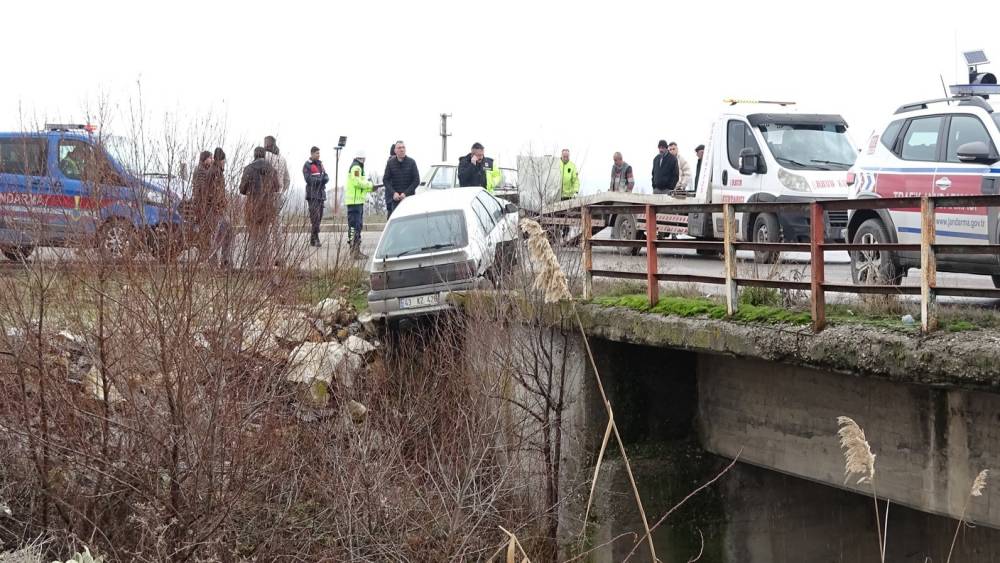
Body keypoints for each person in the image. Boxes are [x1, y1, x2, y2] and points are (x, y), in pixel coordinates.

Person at [239, 146, 280, 267]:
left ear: (254, 155)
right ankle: (264, 265)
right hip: (267, 206)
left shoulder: (248, 169)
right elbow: (277, 187)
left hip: (252, 206)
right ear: (264, 155)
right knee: (264, 236)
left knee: (252, 236)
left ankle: (250, 265)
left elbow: (242, 189)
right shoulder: (271, 169)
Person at [345, 150, 373, 259]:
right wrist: (369, 185)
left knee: (356, 226)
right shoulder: (356, 167)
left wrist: (369, 188)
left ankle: (355, 250)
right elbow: (357, 182)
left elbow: (360, 185)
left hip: (357, 202)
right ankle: (354, 251)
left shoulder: (358, 167)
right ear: (362, 158)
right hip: (354, 202)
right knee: (355, 226)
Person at [382, 140, 419, 217]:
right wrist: (393, 193)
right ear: (395, 150)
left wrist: (406, 193)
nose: (402, 150)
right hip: (396, 199)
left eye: (403, 147)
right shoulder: (390, 163)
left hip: (409, 198)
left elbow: (416, 180)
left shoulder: (412, 162)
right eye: (399, 148)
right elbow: (385, 180)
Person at [302, 146, 330, 247]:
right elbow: (308, 179)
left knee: (320, 217)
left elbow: (326, 176)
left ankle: (312, 238)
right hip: (312, 195)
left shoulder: (320, 164)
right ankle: (316, 238)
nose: (319, 155)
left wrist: (323, 179)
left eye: (319, 153)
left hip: (321, 195)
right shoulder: (307, 165)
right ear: (312, 153)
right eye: (317, 153)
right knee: (315, 217)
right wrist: (320, 180)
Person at [264, 135, 291, 208]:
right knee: (275, 217)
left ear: (266, 144)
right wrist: (281, 191)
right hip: (278, 192)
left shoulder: (264, 156)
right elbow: (287, 179)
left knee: (263, 217)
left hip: (265, 193)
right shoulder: (282, 159)